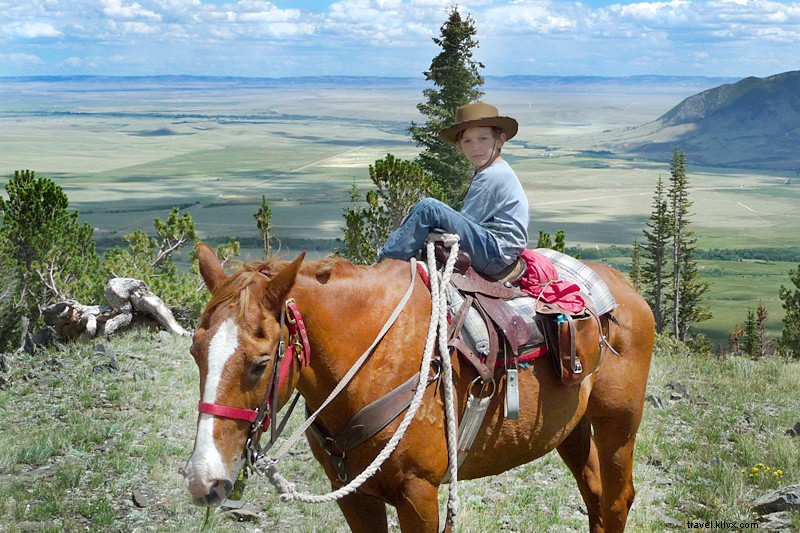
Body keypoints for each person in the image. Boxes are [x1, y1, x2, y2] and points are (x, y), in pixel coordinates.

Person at [378, 102, 530, 277]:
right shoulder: (497, 170)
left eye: (483, 139)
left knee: (429, 208)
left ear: (500, 140)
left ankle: (386, 264)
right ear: (459, 146)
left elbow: (466, 223)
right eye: (467, 141)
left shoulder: (492, 176)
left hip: (494, 253)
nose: (476, 147)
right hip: (499, 251)